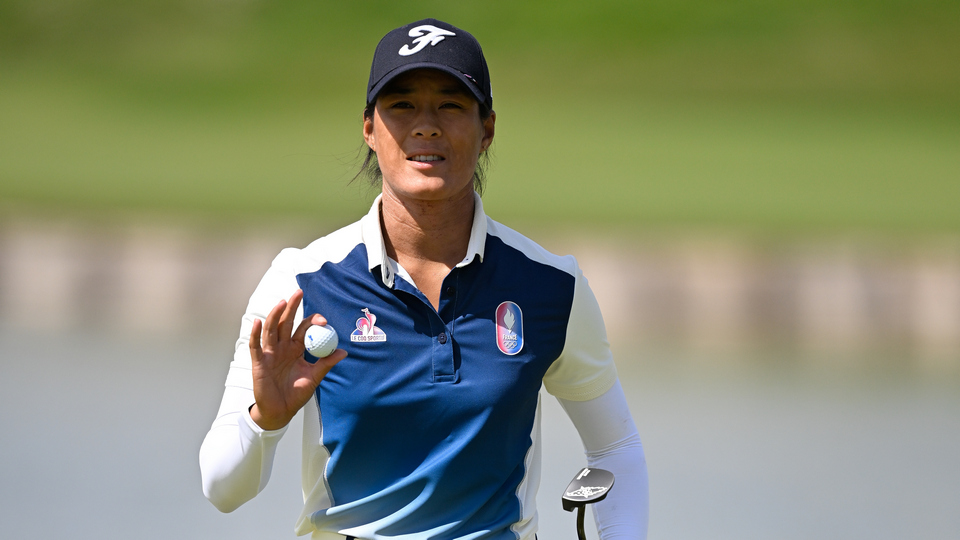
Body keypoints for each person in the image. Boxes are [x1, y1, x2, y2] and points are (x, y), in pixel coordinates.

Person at [200, 18, 648, 539]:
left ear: (487, 129)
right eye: (402, 105)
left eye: (452, 105)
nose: (426, 125)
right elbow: (221, 489)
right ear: (369, 128)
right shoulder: (301, 280)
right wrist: (264, 421)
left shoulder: (551, 286)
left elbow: (615, 448)